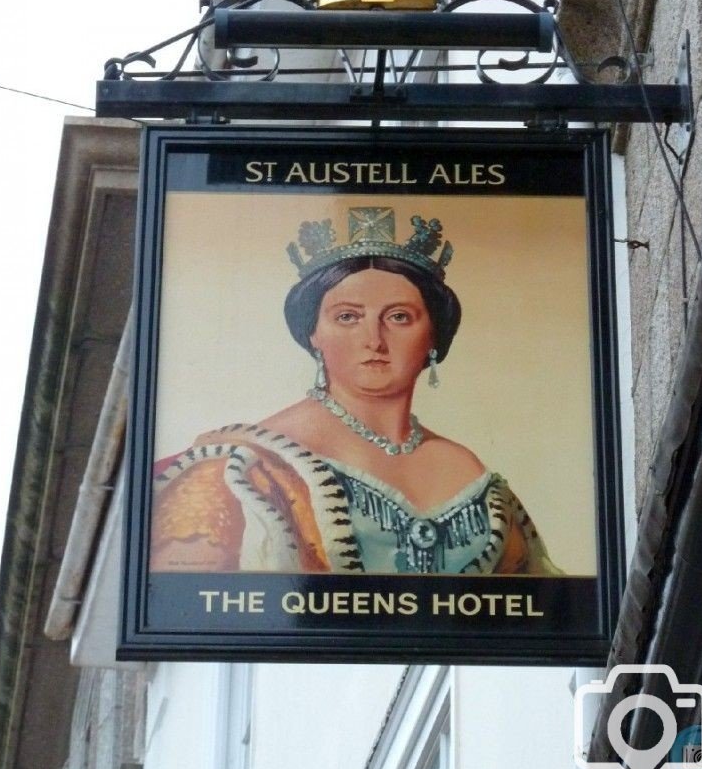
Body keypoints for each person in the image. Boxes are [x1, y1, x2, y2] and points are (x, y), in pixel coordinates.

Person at [150, 206, 561, 576]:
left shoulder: (471, 473)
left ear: (433, 336)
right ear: (314, 333)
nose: (374, 340)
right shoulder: (245, 466)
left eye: (399, 317)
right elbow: (189, 603)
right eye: (347, 317)